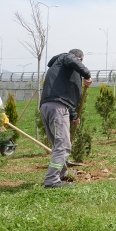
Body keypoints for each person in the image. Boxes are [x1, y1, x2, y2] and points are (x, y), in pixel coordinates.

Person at [40, 49, 92, 188]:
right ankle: (51, 181)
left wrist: (73, 116)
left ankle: (62, 174)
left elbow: (65, 95)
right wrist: (87, 75)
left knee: (59, 145)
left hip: (48, 106)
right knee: (63, 145)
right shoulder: (67, 58)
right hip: (57, 107)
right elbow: (73, 60)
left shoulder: (60, 67)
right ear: (79, 59)